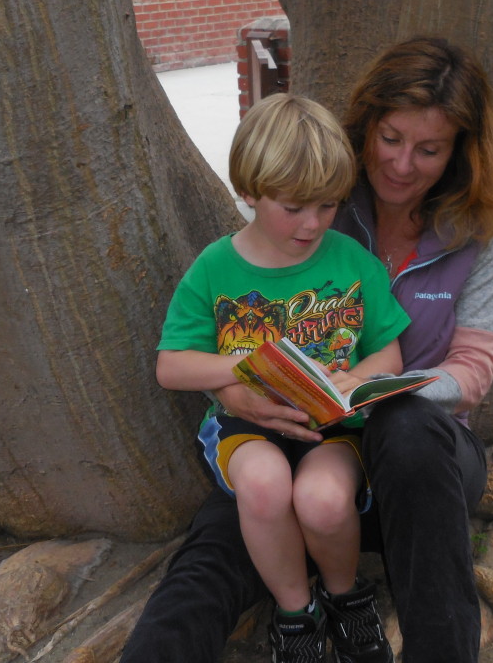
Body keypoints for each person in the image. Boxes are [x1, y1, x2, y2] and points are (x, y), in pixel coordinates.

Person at [121, 36, 493, 663]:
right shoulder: (322, 196)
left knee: (406, 429)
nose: (404, 165)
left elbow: (472, 373)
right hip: (283, 448)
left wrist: (377, 392)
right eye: (390, 139)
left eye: (430, 149)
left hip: (416, 471)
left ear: (461, 153)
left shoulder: (478, 237)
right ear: (364, 132)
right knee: (223, 544)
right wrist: (236, 387)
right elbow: (204, 343)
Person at [151, 91, 408, 663]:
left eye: (327, 206)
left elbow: (388, 356)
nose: (312, 224)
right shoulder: (216, 268)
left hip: (333, 428)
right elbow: (172, 366)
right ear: (249, 191)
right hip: (249, 428)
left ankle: (346, 598)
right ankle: (297, 613)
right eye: (293, 207)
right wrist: (241, 368)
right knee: (265, 488)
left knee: (322, 500)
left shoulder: (351, 263)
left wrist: (349, 383)